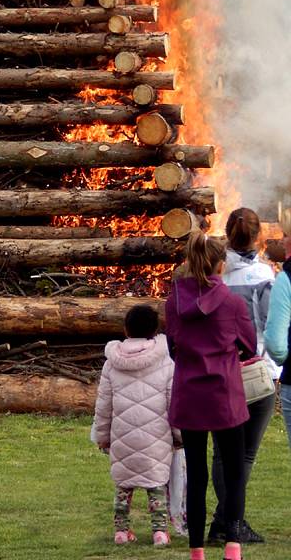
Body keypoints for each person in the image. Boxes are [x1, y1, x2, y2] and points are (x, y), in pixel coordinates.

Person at [166, 232, 256, 560]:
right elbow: (248, 345)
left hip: (190, 394)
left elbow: (172, 347)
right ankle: (232, 544)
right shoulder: (232, 303)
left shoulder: (175, 300)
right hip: (225, 395)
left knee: (197, 472)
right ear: (222, 264)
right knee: (233, 470)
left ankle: (196, 550)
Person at [208, 208, 278, 546]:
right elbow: (269, 323)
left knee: (221, 454)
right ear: (258, 237)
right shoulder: (264, 275)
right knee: (245, 454)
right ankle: (229, 521)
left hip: (219, 368)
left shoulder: (216, 273)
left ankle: (224, 521)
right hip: (256, 368)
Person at [93, 304, 177, 548]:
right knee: (156, 485)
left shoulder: (112, 363)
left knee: (123, 485)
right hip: (157, 437)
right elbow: (174, 403)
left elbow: (104, 404)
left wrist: (102, 436)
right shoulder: (166, 362)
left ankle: (121, 531)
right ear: (155, 330)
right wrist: (179, 435)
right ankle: (160, 532)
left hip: (122, 436)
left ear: (125, 329)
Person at [265, 233, 291, 447]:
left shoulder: (286, 278)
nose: (281, 241)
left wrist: (283, 359)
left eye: (286, 235)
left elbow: (275, 343)